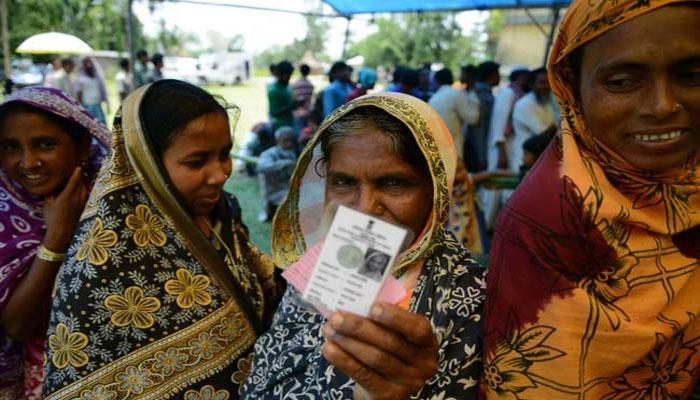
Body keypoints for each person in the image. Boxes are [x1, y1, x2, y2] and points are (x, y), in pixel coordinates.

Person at [482, 1, 700, 398]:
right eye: (621, 81)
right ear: (572, 88)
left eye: (691, 75)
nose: (663, 105)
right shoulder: (547, 220)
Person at [42, 80, 279, 399]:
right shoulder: (100, 269)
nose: (220, 174)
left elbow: (264, 284)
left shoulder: (221, 214)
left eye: (224, 155)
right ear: (145, 162)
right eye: (197, 162)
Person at [242, 92, 486, 399]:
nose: (365, 208)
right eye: (343, 182)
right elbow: (267, 374)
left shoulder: (469, 292)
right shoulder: (325, 263)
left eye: (394, 183)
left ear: (437, 189)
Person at [0, 87, 110, 399]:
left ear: (83, 147)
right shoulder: (4, 212)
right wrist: (57, 236)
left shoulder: (113, 208)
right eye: (10, 147)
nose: (28, 162)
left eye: (44, 144)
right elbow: (17, 325)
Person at [510, 67, 559, 171]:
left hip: (538, 160)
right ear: (532, 85)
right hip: (524, 158)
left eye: (548, 83)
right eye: (542, 83)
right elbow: (543, 133)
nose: (547, 86)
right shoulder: (524, 104)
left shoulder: (547, 103)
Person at [428, 68, 479, 159]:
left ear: (437, 81)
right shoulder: (456, 94)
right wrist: (472, 96)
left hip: (437, 150)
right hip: (453, 149)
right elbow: (473, 118)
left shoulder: (433, 98)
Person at [257, 126, 297, 223]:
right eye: (285, 141)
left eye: (291, 140)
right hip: (274, 192)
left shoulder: (291, 153)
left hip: (288, 189)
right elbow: (262, 168)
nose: (289, 143)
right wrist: (282, 164)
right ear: (278, 141)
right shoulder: (268, 154)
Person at [465, 61, 500, 173]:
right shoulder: (484, 97)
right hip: (476, 151)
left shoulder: (475, 92)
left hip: (471, 147)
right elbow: (479, 129)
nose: (499, 77)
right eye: (497, 73)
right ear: (492, 75)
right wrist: (482, 157)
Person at [76, 57, 108, 125]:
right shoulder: (81, 78)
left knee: (101, 125)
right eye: (87, 63)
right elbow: (79, 93)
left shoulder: (96, 76)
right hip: (87, 106)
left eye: (90, 62)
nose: (89, 65)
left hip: (97, 104)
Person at [267, 61, 294, 132]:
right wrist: (292, 106)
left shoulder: (287, 87)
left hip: (289, 124)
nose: (289, 77)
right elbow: (273, 112)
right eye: (287, 75)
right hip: (279, 127)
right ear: (280, 74)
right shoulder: (274, 90)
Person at [291, 64, 315, 135]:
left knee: (299, 133)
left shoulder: (295, 84)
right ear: (308, 72)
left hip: (297, 113)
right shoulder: (310, 85)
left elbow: (294, 99)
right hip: (308, 112)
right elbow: (310, 99)